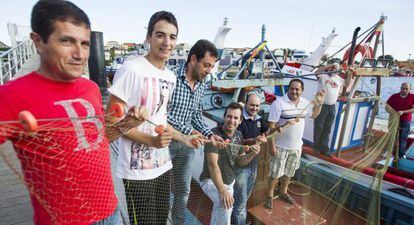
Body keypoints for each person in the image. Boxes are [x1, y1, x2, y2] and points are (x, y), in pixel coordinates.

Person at [0, 1, 147, 224]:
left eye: (85, 44)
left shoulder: (91, 88)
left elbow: (100, 140)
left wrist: (127, 124)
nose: (80, 54)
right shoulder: (9, 96)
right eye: (67, 41)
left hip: (111, 212)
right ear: (38, 41)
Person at [106, 11, 198, 225]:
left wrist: (184, 138)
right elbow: (109, 127)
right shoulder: (131, 69)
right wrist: (152, 141)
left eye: (172, 37)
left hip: (163, 166)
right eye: (160, 35)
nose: (167, 42)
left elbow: (161, 120)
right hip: (137, 173)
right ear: (148, 37)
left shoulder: (170, 76)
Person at [168, 39, 224, 225]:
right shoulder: (171, 79)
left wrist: (209, 134)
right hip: (165, 142)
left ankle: (177, 223)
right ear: (193, 59)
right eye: (206, 65)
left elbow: (196, 114)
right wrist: (188, 131)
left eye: (212, 66)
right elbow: (163, 114)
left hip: (187, 147)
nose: (209, 70)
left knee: (183, 190)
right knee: (160, 189)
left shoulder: (202, 84)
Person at [264, 79, 323, 208]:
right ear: (288, 89)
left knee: (289, 172)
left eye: (297, 89)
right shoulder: (278, 104)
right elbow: (272, 126)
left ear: (302, 91)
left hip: (296, 147)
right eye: (292, 88)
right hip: (280, 147)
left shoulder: (305, 103)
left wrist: (319, 104)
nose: (294, 91)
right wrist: (272, 145)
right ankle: (269, 195)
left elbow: (314, 116)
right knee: (275, 174)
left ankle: (283, 192)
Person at [199, 102, 260, 225]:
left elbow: (240, 161)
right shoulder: (214, 135)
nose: (232, 120)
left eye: (236, 118)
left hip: (229, 182)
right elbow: (212, 164)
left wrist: (252, 154)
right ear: (224, 117)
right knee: (225, 205)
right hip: (210, 181)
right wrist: (222, 191)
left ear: (240, 120)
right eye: (229, 116)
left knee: (220, 212)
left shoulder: (238, 135)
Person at [231, 92, 269, 225]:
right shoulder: (239, 120)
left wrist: (266, 135)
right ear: (245, 104)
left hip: (254, 162)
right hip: (241, 163)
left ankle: (235, 218)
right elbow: (236, 141)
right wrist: (254, 140)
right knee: (241, 200)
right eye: (252, 105)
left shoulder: (259, 119)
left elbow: (267, 131)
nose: (255, 108)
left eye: (257, 105)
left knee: (245, 196)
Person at [313, 63, 345, 156]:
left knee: (328, 128)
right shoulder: (323, 76)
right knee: (319, 127)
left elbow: (347, 83)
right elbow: (316, 72)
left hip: (332, 106)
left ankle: (324, 148)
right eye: (333, 67)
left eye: (336, 68)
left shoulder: (338, 79)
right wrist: (328, 66)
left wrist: (350, 73)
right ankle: (316, 147)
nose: (334, 69)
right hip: (321, 105)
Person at [386, 82, 414, 158]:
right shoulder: (394, 96)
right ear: (400, 88)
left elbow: (413, 109)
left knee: (403, 138)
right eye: (403, 88)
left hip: (406, 121)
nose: (404, 90)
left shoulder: (412, 97)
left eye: (406, 89)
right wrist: (393, 112)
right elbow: (387, 106)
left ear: (410, 89)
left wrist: (403, 112)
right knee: (392, 136)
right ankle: (390, 152)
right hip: (394, 120)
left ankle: (401, 154)